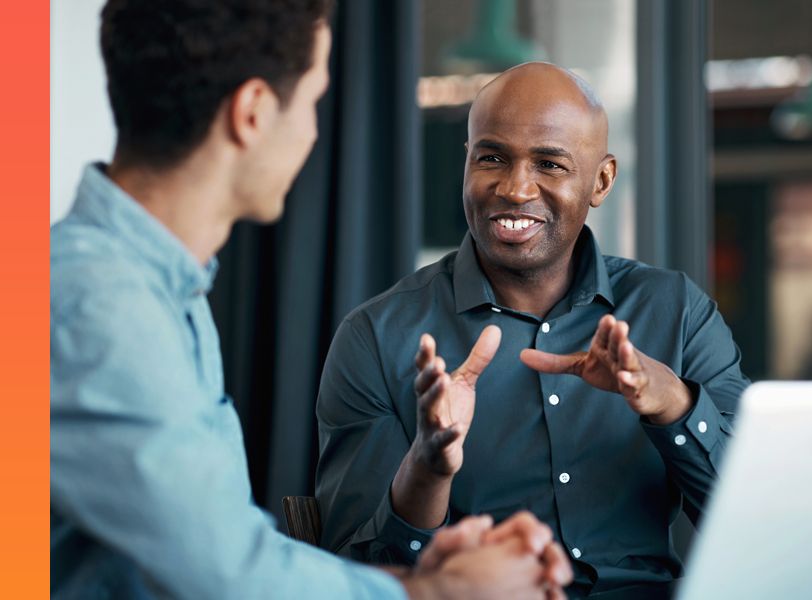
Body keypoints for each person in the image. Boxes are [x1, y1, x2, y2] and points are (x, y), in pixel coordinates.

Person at [50, 1, 572, 598]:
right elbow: (227, 580)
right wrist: (438, 593)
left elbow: (225, 544)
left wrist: (419, 575)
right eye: (311, 102)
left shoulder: (155, 289)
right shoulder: (100, 307)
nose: (313, 132)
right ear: (252, 114)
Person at [315, 62, 752, 596]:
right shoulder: (377, 336)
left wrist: (674, 404)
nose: (516, 188)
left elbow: (753, 523)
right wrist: (427, 468)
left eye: (549, 164)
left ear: (602, 180)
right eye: (492, 158)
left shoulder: (676, 312)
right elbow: (354, 575)